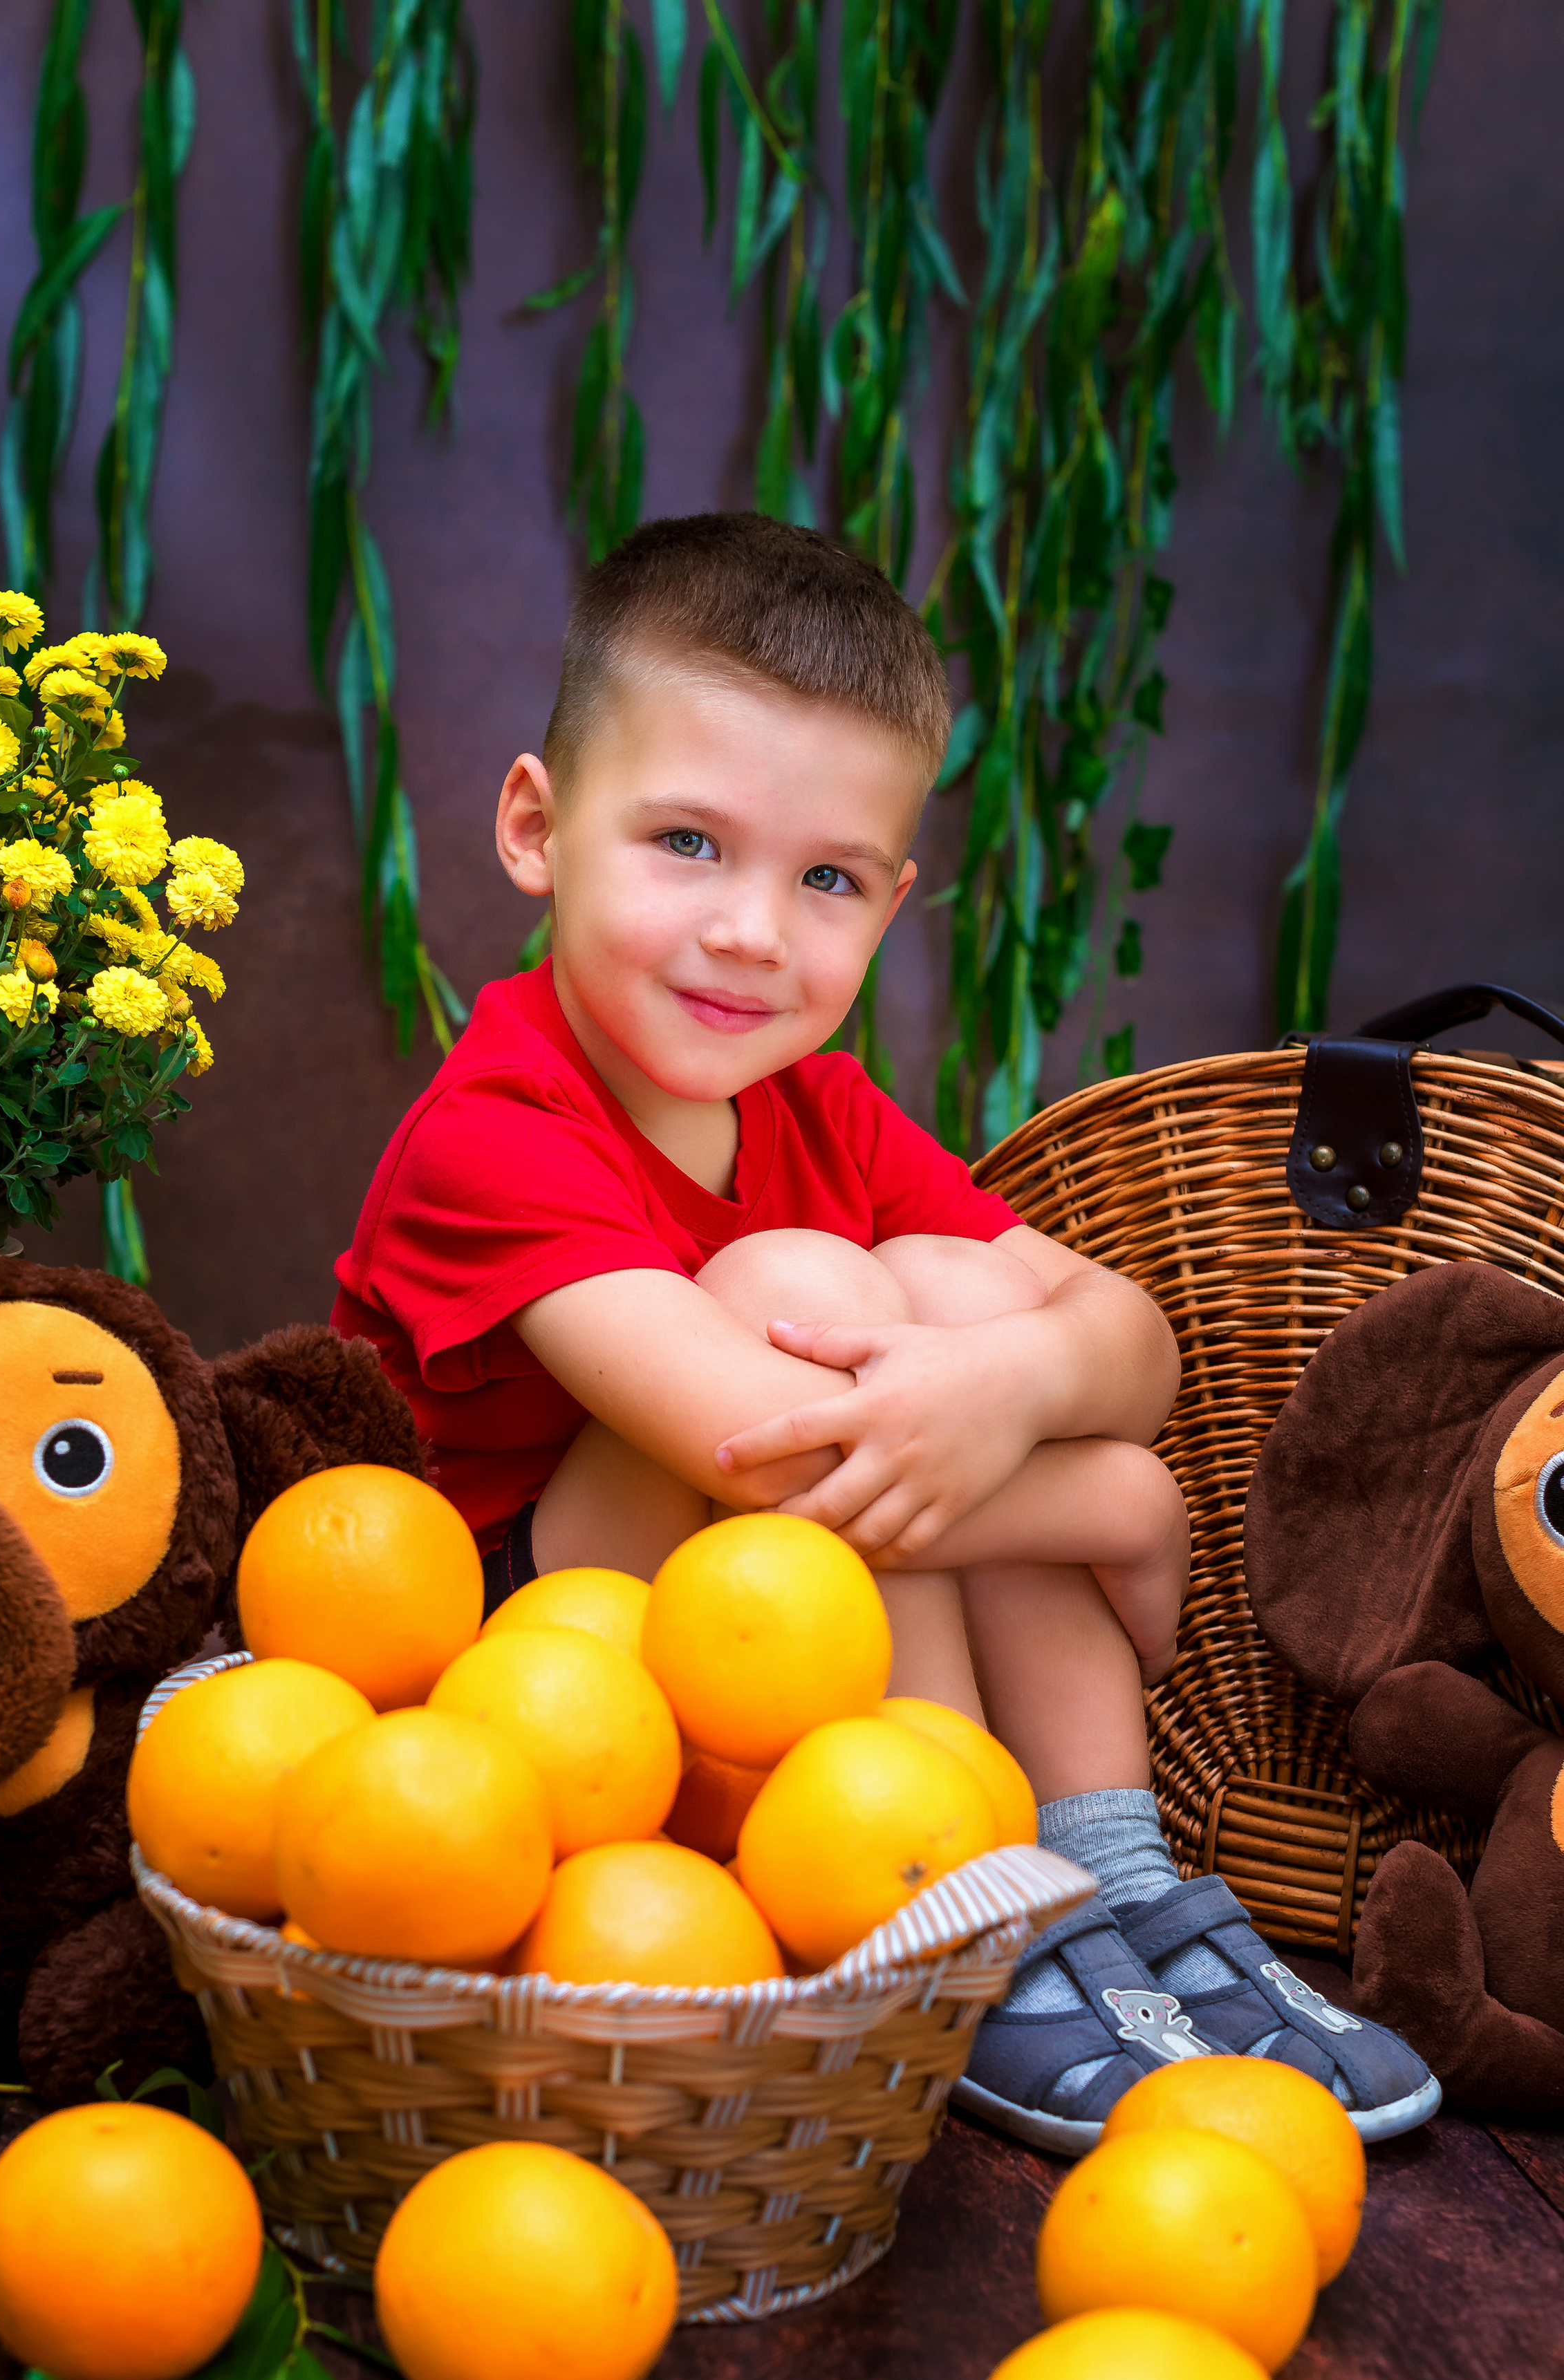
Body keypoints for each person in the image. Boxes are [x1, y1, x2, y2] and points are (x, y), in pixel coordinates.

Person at [334, 512, 1437, 2151]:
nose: (752, 933)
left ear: (891, 896)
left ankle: (1100, 1870)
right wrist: (1113, 1499)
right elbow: (764, 1461)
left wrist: (1013, 1387)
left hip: (757, 1623)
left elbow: (1122, 1338)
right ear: (533, 826)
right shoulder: (493, 1130)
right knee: (838, 1304)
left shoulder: (821, 1108)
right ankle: (954, 1897)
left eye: (826, 878)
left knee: (965, 1313)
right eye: (686, 844)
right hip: (535, 1687)